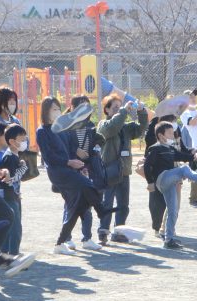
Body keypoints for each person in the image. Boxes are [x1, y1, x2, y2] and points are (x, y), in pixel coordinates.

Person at [36, 96, 115, 255]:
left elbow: (72, 151)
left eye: (58, 108)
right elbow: (48, 157)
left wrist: (80, 168)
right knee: (88, 189)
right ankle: (101, 211)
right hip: (58, 172)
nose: (57, 112)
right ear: (46, 111)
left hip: (71, 170)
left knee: (79, 206)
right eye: (54, 109)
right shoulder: (42, 131)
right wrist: (68, 162)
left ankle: (66, 242)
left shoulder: (64, 129)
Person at [144, 121, 197, 249]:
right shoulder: (155, 148)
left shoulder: (170, 149)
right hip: (162, 179)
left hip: (170, 182)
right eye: (170, 133)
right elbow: (147, 165)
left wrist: (194, 156)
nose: (173, 135)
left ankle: (169, 240)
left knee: (173, 211)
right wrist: (150, 182)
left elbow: (182, 156)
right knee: (184, 169)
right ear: (161, 135)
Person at [97, 95, 148, 245]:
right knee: (107, 204)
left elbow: (140, 129)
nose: (119, 110)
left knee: (123, 205)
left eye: (120, 107)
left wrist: (142, 111)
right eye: (115, 108)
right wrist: (124, 112)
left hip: (124, 171)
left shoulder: (126, 128)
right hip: (109, 170)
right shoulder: (103, 125)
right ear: (106, 110)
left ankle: (118, 232)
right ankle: (103, 233)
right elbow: (112, 128)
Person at [62, 95, 104, 250]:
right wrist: (75, 152)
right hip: (70, 169)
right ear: (73, 108)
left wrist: (97, 146)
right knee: (71, 204)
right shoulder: (65, 125)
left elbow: (98, 139)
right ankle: (66, 238)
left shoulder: (90, 125)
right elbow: (62, 148)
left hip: (87, 169)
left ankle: (87, 239)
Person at [0, 124, 28, 255]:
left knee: (10, 223)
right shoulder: (9, 157)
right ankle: (14, 254)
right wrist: (23, 168)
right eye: (22, 140)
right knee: (15, 226)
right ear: (12, 141)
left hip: (12, 195)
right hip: (7, 196)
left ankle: (5, 252)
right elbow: (11, 178)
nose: (25, 142)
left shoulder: (14, 156)